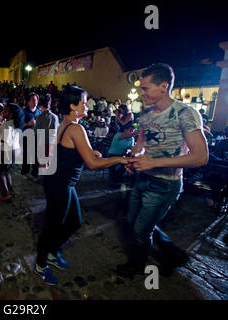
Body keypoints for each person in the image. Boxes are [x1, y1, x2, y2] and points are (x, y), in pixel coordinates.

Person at [118, 63, 209, 278]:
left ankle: (137, 266)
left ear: (163, 86)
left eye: (145, 88)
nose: (141, 94)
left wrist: (154, 163)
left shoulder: (185, 113)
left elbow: (200, 157)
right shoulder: (146, 114)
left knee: (141, 230)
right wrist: (134, 157)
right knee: (133, 222)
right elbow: (141, 143)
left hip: (165, 184)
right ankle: (171, 251)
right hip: (142, 178)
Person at [34, 86, 128, 285]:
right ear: (73, 105)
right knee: (52, 226)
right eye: (83, 101)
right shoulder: (76, 128)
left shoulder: (68, 124)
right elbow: (92, 165)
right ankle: (41, 265)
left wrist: (92, 152)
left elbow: (79, 151)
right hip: (60, 183)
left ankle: (52, 252)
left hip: (61, 181)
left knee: (74, 221)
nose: (87, 105)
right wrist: (119, 159)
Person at [0, 103, 24, 202]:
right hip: (15, 149)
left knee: (0, 171)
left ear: (11, 114)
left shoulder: (7, 124)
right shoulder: (15, 123)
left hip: (7, 150)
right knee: (6, 170)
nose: (3, 112)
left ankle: (5, 194)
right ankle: (10, 190)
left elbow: (4, 140)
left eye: (6, 111)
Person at [35, 93, 59, 174]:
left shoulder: (39, 117)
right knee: (50, 163)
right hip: (53, 144)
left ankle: (46, 180)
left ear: (41, 106)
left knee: (43, 164)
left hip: (43, 143)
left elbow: (37, 132)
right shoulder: (55, 117)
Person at [21, 92, 42, 180]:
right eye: (33, 100)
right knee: (26, 155)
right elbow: (19, 125)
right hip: (27, 136)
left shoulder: (39, 112)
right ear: (28, 102)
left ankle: (35, 173)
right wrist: (28, 123)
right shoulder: (24, 112)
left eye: (36, 100)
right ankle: (25, 172)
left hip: (37, 136)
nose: (35, 102)